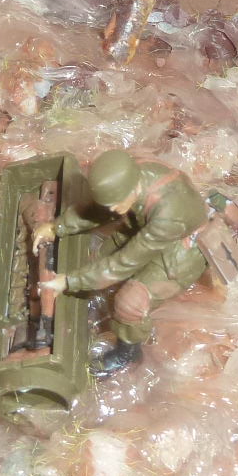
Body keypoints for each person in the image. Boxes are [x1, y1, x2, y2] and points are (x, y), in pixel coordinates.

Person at [34, 150, 210, 377]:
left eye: (116, 204)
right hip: (146, 225)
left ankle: (128, 352)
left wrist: (69, 282)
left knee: (130, 302)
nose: (113, 210)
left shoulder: (169, 215)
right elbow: (99, 210)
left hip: (183, 250)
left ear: (133, 189)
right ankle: (90, 298)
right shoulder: (128, 175)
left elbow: (124, 263)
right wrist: (56, 227)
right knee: (100, 256)